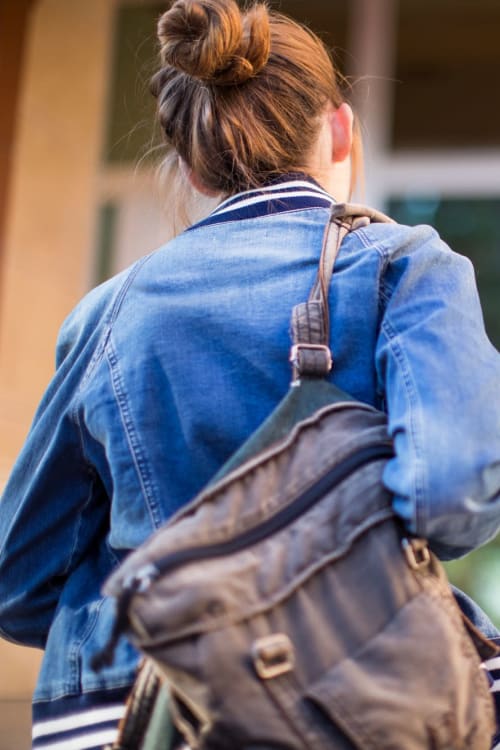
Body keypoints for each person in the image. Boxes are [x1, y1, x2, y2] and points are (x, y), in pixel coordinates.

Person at [1, 0, 499, 748]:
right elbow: (454, 495)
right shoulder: (407, 267)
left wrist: (179, 600)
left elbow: (21, 581)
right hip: (364, 700)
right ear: (340, 130)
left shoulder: (106, 313)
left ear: (194, 170)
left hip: (130, 711)